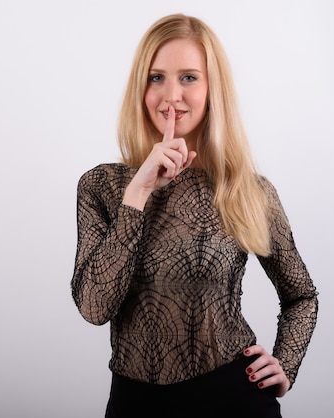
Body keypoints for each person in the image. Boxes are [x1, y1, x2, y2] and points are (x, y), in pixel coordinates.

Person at [70, 13, 318, 418]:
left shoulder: (248, 190)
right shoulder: (102, 186)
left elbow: (301, 297)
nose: (171, 96)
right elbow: (94, 308)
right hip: (134, 404)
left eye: (188, 77)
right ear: (140, 87)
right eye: (156, 77)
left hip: (233, 399)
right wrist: (139, 191)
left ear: (212, 88)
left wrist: (285, 364)